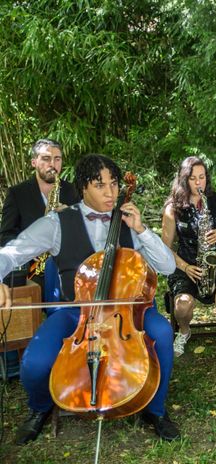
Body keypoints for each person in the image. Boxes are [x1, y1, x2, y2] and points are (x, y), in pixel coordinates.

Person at [0, 154, 180, 444]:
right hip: (77, 313)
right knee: (34, 365)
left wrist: (141, 230)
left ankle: (155, 409)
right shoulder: (57, 223)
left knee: (161, 332)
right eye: (100, 185)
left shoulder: (128, 220)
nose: (111, 193)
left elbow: (167, 267)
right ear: (83, 187)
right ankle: (40, 408)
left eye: (114, 184)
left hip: (127, 312)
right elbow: (12, 252)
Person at [162, 157, 216, 356]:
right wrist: (185, 267)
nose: (198, 183)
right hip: (185, 267)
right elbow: (165, 248)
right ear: (183, 180)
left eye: (202, 177)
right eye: (192, 178)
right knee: (183, 306)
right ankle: (184, 331)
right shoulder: (173, 208)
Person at [0, 139, 79, 301]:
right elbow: (6, 235)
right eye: (46, 158)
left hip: (66, 265)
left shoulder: (74, 192)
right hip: (31, 270)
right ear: (34, 162)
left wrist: (69, 218)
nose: (53, 164)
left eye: (57, 159)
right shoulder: (17, 193)